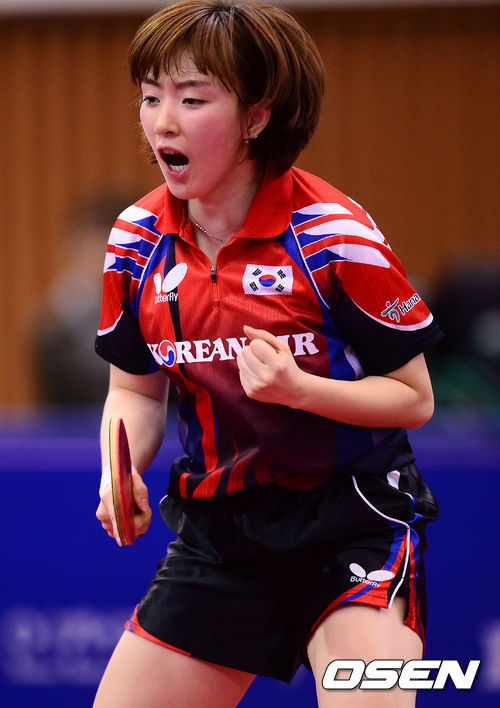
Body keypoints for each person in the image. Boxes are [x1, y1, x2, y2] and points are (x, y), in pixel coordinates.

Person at [94, 2, 442, 706]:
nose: (163, 122)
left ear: (256, 117)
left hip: (351, 520)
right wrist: (119, 466)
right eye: (151, 98)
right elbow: (133, 392)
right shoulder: (136, 240)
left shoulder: (333, 235)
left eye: (192, 99)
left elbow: (414, 398)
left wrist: (300, 390)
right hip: (221, 534)